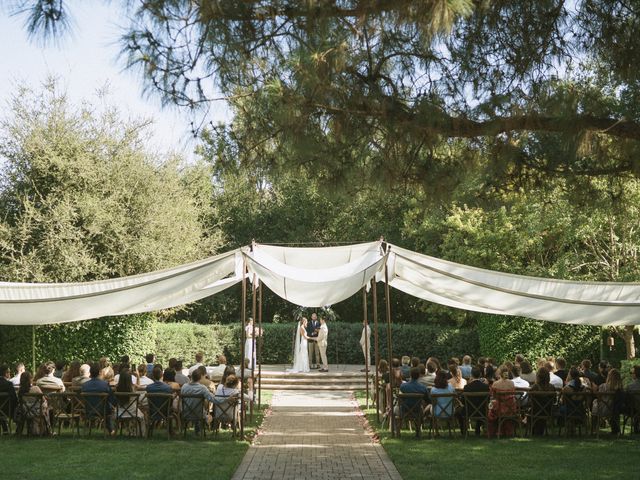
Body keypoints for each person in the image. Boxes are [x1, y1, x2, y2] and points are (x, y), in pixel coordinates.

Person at [82, 363, 116, 434]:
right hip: (103, 410)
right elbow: (111, 399)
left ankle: (110, 429)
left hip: (88, 410)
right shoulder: (104, 385)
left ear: (90, 373)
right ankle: (111, 429)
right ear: (99, 372)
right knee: (109, 408)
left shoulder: (85, 385)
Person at [17, 371, 50, 436]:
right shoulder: (36, 388)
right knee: (46, 404)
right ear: (30, 379)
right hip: (37, 411)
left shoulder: (20, 391)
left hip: (25, 411)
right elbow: (43, 399)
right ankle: (48, 429)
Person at [488, 365, 517, 438]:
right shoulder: (512, 383)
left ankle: (495, 431)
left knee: (490, 408)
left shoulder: (495, 384)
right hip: (511, 408)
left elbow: (493, 397)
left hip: (499, 409)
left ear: (499, 373)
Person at [115, 370, 146, 435]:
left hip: (120, 412)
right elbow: (139, 386)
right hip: (133, 412)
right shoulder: (133, 387)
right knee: (142, 416)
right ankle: (140, 434)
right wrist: (137, 376)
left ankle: (129, 431)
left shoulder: (116, 388)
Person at [463, 366, 490, 436]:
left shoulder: (467, 387)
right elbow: (488, 400)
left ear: (471, 375)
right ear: (480, 374)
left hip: (469, 411)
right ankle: (478, 428)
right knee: (481, 406)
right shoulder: (486, 387)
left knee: (460, 411)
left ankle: (463, 432)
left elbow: (463, 401)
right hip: (483, 411)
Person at [0, 364, 17, 434]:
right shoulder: (9, 384)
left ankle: (5, 429)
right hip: (7, 410)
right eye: (9, 372)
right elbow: (14, 398)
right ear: (6, 373)